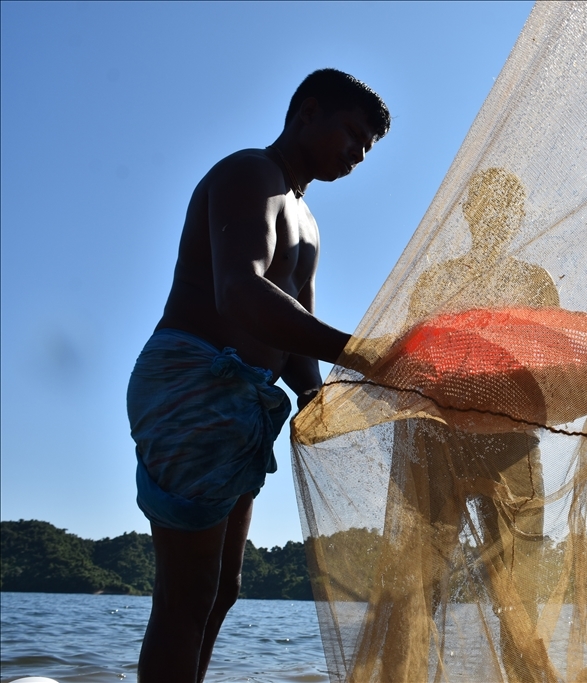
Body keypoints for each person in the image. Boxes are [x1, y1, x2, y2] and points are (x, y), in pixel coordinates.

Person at [126, 68, 388, 683]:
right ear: (308, 113)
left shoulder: (308, 220)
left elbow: (295, 328)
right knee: (186, 596)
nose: (356, 153)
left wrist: (317, 395)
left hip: (246, 404)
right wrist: (367, 354)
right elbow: (239, 294)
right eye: (351, 133)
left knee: (222, 590)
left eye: (367, 149)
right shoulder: (250, 174)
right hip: (195, 382)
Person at [365, 168, 560, 682]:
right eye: (486, 207)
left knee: (519, 596)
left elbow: (550, 361)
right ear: (470, 215)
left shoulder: (534, 283)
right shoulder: (438, 282)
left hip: (509, 445)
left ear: (517, 219)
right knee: (416, 591)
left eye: (506, 208)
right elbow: (412, 361)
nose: (495, 217)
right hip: (438, 443)